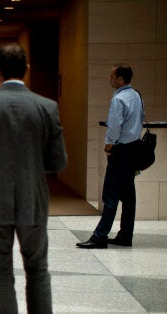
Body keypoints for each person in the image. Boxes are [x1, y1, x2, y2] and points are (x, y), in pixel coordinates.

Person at [0, 43, 67, 314]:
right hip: (33, 201)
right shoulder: (47, 107)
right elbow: (58, 162)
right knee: (38, 271)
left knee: (1, 274)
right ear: (27, 68)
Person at [77, 63, 143, 249]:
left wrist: (108, 145)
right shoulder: (136, 95)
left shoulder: (118, 99)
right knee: (129, 195)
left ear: (120, 79)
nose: (109, 79)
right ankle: (125, 235)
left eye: (112, 76)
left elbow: (114, 126)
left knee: (111, 194)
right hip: (133, 148)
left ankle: (100, 236)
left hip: (120, 150)